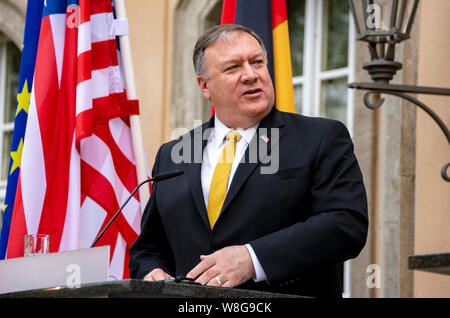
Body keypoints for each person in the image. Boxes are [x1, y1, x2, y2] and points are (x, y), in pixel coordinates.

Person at [129, 24, 368, 298]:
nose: (251, 75)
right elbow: (148, 249)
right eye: (233, 68)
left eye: (257, 62)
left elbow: (346, 225)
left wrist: (253, 259)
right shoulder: (174, 154)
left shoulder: (321, 138)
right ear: (204, 85)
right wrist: (152, 272)